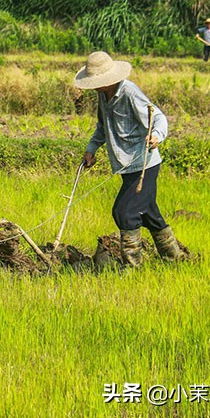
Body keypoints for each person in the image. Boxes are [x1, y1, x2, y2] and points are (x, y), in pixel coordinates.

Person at [75, 51, 186, 266]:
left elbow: (159, 117)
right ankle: (175, 259)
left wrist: (156, 135)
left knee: (124, 212)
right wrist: (92, 149)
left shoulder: (129, 92)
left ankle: (133, 267)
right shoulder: (103, 95)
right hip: (125, 166)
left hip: (143, 164)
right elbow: (102, 126)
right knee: (148, 213)